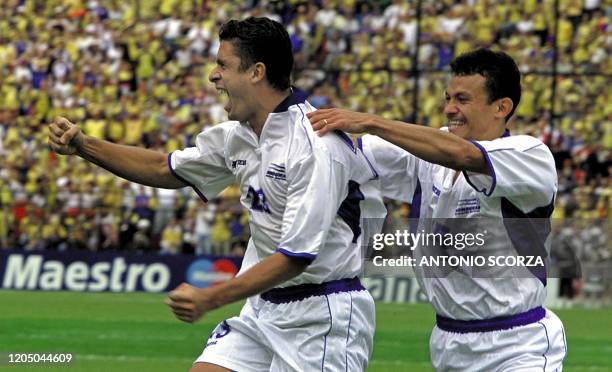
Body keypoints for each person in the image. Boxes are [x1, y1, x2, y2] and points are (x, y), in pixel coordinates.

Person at [48, 17, 381, 372]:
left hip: (322, 314)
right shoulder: (238, 135)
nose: (213, 75)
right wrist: (84, 146)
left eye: (223, 64)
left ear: (256, 72)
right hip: (264, 307)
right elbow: (165, 168)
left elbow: (296, 256)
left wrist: (211, 297)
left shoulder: (315, 145)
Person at [307, 48, 567, 371]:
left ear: (502, 107)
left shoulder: (530, 155)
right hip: (448, 343)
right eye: (448, 98)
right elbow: (348, 155)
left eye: (462, 99)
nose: (449, 109)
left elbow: (464, 155)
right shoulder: (429, 151)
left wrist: (371, 122)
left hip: (518, 345)